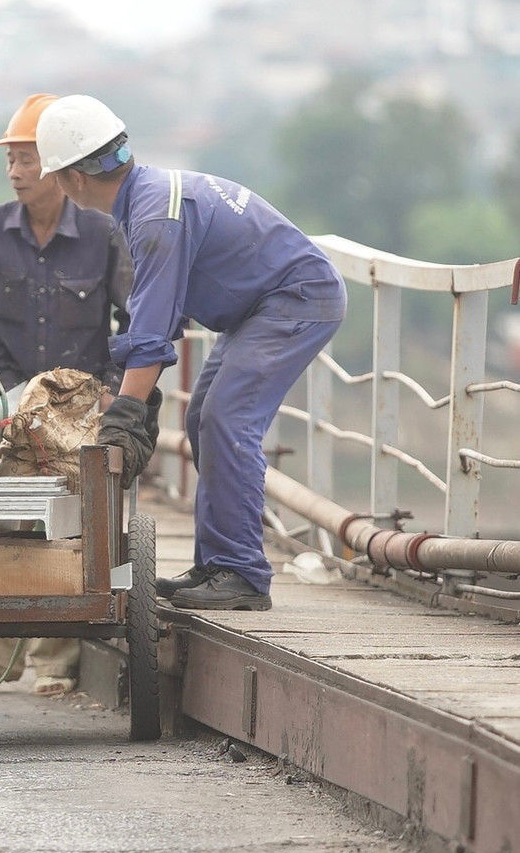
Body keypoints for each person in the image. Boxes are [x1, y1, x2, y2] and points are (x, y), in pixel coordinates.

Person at [36, 94, 346, 611]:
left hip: (295, 301)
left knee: (227, 420)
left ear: (75, 178)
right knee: (204, 417)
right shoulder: (148, 197)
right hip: (260, 308)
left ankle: (242, 574)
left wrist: (129, 411)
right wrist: (131, 391)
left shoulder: (156, 216)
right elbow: (160, 310)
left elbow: (155, 326)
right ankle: (219, 562)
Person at [0, 93, 132, 696]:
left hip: (79, 409)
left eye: (27, 160)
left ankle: (56, 663)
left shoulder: (104, 234)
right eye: (10, 161)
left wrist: (106, 391)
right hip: (9, 403)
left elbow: (135, 318)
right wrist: (6, 385)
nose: (16, 172)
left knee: (69, 526)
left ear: (58, 166)